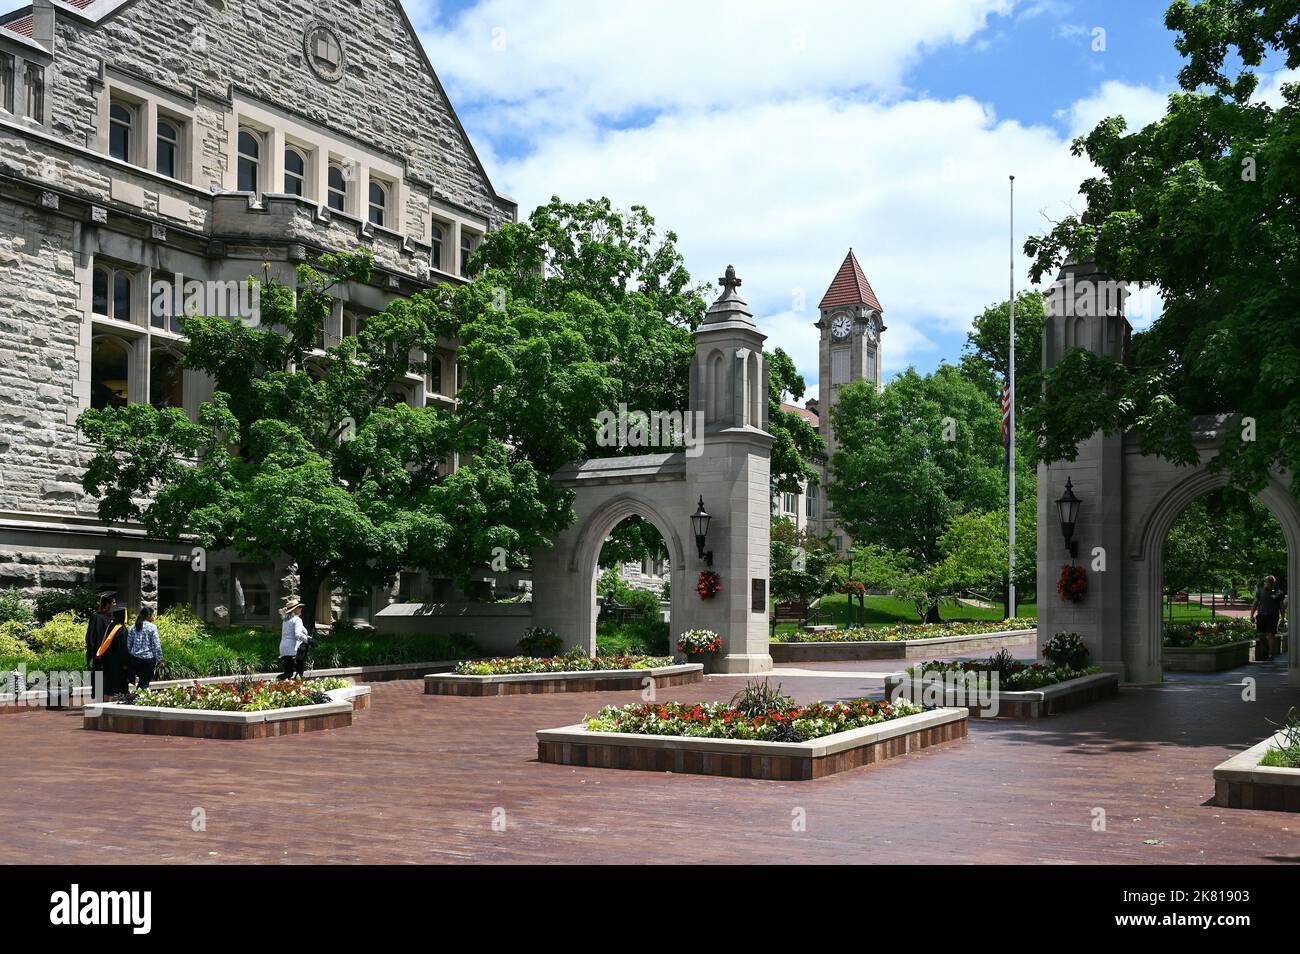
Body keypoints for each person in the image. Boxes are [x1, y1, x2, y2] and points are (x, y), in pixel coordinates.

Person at [85, 591, 129, 699]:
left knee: (108, 680)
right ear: (107, 604)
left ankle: (106, 703)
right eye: (113, 603)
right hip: (99, 654)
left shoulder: (113, 619)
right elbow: (91, 636)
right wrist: (93, 652)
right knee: (100, 678)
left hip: (110, 655)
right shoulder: (96, 617)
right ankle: (99, 702)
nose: (115, 605)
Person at [125, 605, 163, 690]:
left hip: (135, 659)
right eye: (152, 615)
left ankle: (137, 697)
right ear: (148, 615)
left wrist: (130, 657)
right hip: (148, 660)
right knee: (145, 683)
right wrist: (160, 659)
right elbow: (156, 644)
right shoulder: (152, 627)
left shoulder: (133, 627)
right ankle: (140, 699)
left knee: (142, 681)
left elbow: (129, 644)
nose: (153, 617)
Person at [1252, 575, 1286, 660]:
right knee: (1260, 634)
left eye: (1270, 582)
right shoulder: (1260, 591)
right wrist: (1251, 615)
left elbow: (1281, 606)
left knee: (1271, 634)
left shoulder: (1278, 592)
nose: (1267, 584)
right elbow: (1255, 603)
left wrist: (1282, 617)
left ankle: (1270, 653)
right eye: (1267, 582)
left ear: (1273, 583)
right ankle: (1268, 649)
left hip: (1273, 615)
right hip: (1261, 615)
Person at [278, 600, 311, 679]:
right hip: (294, 649)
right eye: (299, 607)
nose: (301, 609)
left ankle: (273, 683)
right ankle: (300, 687)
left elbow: (299, 632)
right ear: (295, 609)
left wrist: (308, 637)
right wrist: (309, 641)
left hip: (283, 649)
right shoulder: (297, 620)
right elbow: (298, 634)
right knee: (299, 672)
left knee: (288, 673)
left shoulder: (286, 620)